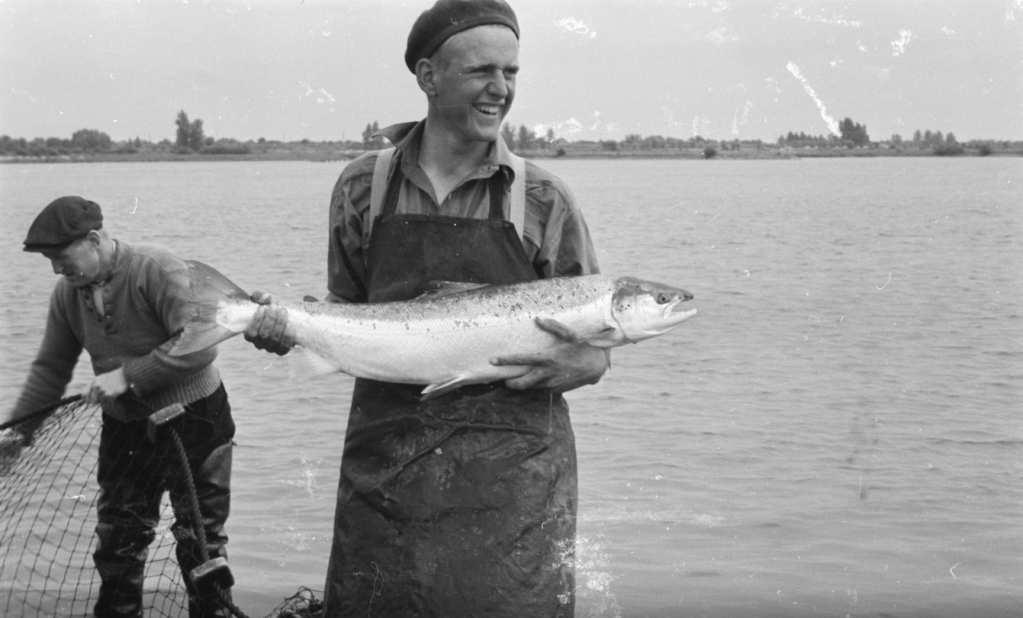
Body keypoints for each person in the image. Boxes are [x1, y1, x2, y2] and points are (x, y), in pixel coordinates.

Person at [246, 0, 609, 615]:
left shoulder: (544, 198)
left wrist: (584, 365)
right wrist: (293, 330)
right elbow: (346, 307)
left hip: (513, 484)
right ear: (427, 76)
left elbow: (596, 348)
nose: (501, 90)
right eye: (481, 72)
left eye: (512, 73)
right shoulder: (363, 186)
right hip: (385, 472)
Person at [4, 196, 236, 618]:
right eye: (49, 261)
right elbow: (50, 369)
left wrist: (127, 376)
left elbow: (201, 344)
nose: (57, 269)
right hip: (126, 427)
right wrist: (19, 434)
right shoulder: (68, 295)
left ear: (93, 240)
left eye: (61, 257)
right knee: (119, 542)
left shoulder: (157, 268)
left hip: (198, 419)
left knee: (200, 541)